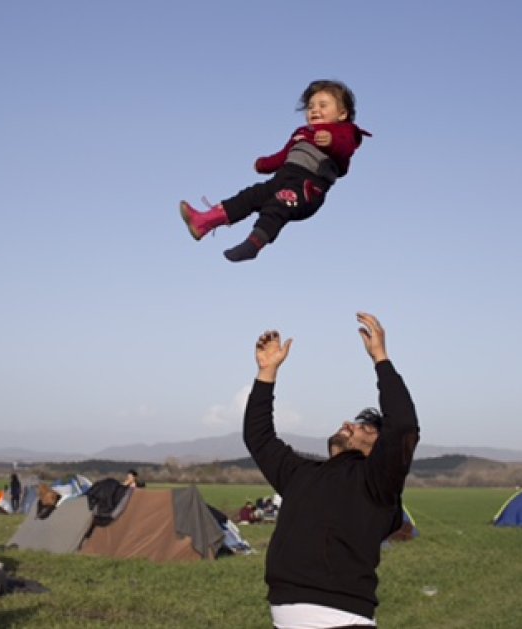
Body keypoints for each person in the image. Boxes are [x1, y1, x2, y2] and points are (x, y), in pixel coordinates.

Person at [244, 312, 420, 628]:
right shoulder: (302, 474)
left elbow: (403, 426)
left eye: (364, 427)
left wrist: (380, 358)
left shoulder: (377, 483)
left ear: (380, 446)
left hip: (341, 620)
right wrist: (267, 373)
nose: (348, 425)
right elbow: (259, 438)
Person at [180, 79, 370, 262]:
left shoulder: (345, 131)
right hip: (282, 178)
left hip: (308, 188)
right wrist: (265, 164)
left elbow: (346, 150)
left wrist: (332, 141)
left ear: (342, 113)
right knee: (251, 195)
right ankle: (204, 222)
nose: (315, 110)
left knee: (278, 205)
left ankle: (254, 243)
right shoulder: (302, 133)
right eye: (311, 107)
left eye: (323, 105)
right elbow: (284, 155)